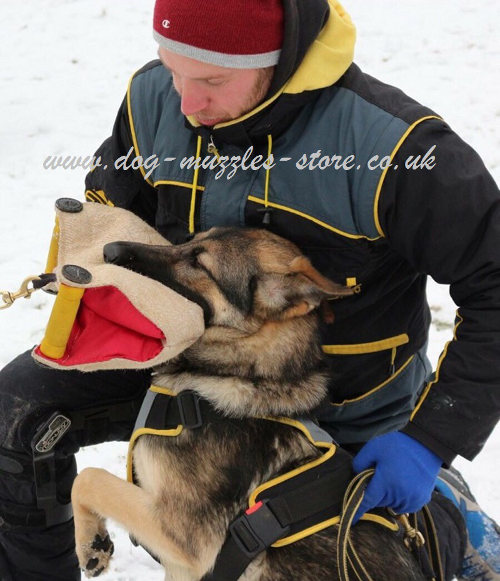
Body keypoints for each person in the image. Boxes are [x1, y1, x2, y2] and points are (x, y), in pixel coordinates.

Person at [0, 0, 499, 579]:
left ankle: (446, 515)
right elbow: (112, 209)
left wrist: (431, 439)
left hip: (339, 410)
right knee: (17, 413)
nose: (187, 103)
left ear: (278, 62)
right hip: (178, 366)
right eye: (171, 67)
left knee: (349, 553)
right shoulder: (154, 99)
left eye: (211, 79)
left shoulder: (396, 150)